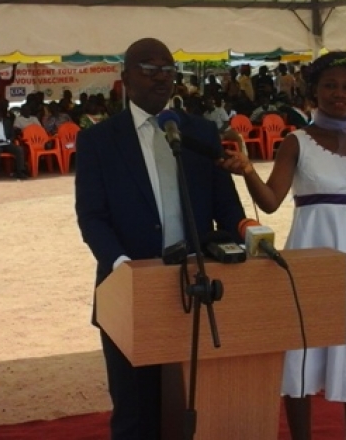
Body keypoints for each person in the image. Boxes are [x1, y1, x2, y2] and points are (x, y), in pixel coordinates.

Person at [219, 54, 346, 440]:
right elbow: (270, 201)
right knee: (302, 345)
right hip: (310, 252)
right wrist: (247, 170)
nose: (339, 93)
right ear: (313, 91)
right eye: (330, 85)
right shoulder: (296, 142)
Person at [75, 37, 246, 440]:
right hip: (129, 288)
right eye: (149, 69)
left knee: (197, 404)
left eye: (168, 69)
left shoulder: (200, 132)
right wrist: (123, 267)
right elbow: (92, 216)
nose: (161, 77)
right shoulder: (99, 140)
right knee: (136, 412)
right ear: (125, 78)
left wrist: (244, 240)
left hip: (198, 287)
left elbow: (228, 208)